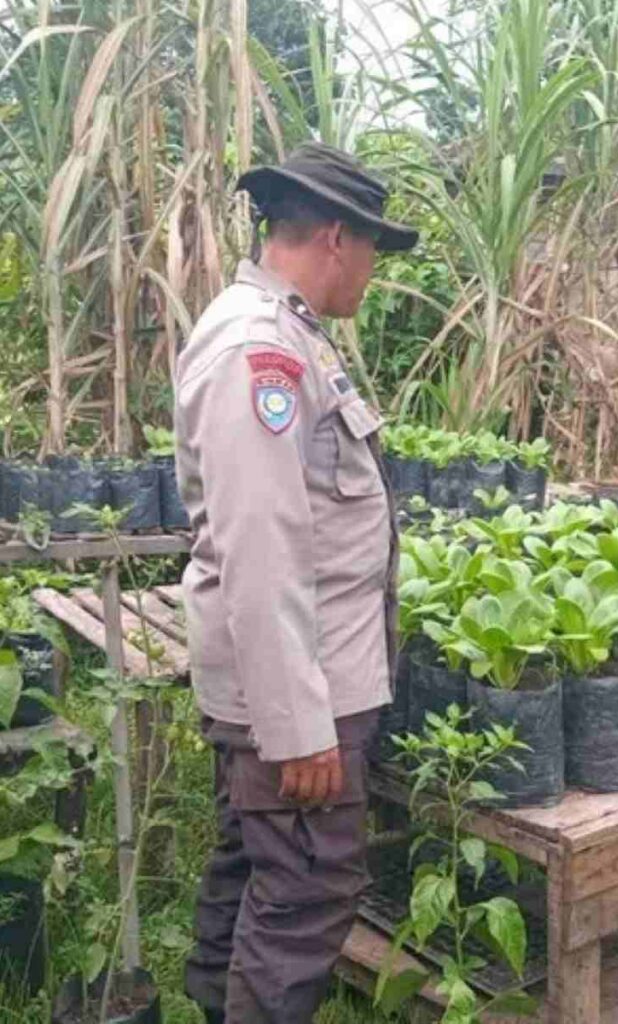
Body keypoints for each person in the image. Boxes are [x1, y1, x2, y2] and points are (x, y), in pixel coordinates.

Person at [176, 143, 418, 1024]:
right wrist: (298, 728)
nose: (371, 275)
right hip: (298, 694)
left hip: (299, 679)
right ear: (333, 237)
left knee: (254, 865)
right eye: (372, 253)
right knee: (308, 892)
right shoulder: (261, 353)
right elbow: (262, 547)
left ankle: (213, 1007)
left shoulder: (289, 338)